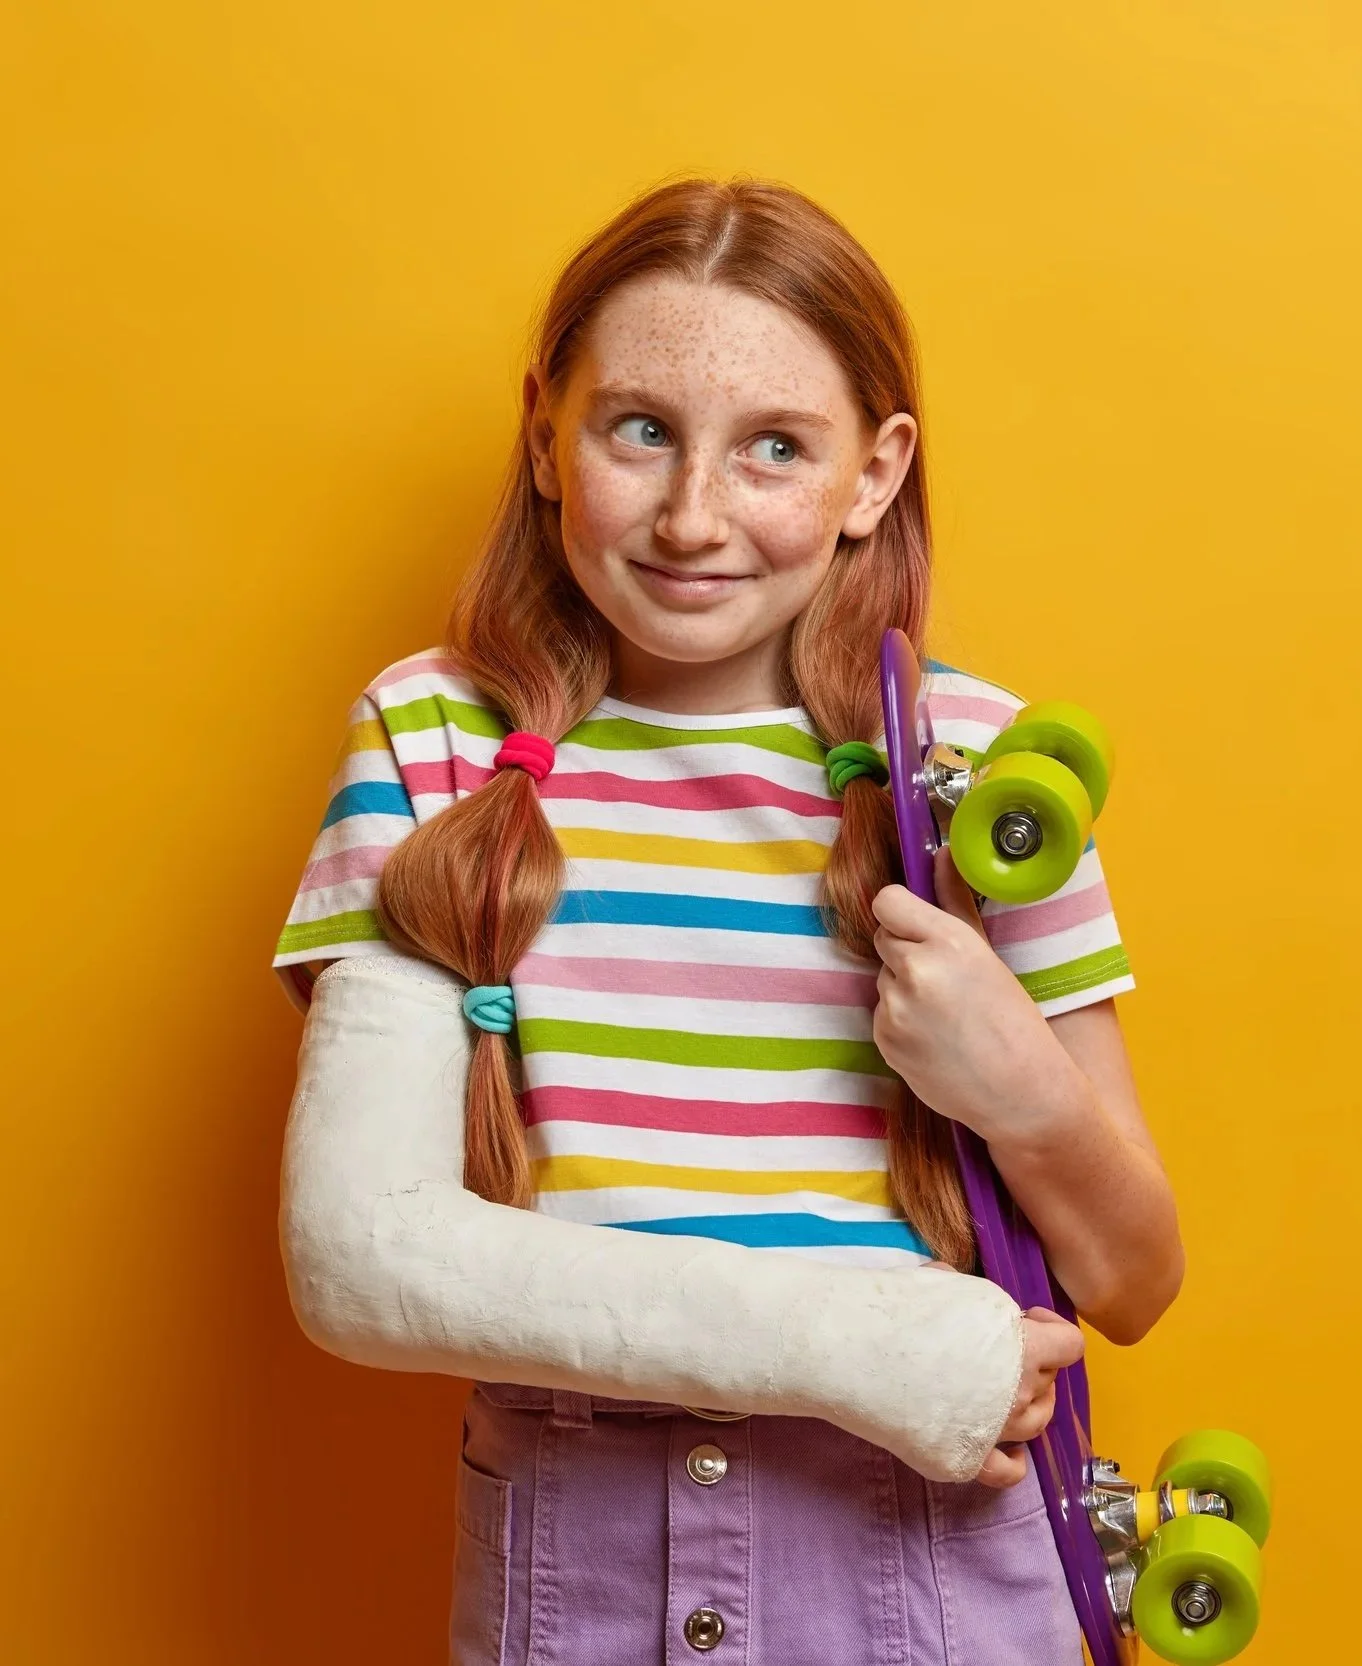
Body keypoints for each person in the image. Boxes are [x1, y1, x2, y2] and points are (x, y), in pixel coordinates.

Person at [271, 177, 1183, 1665]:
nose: (694, 516)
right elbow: (358, 1253)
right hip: (583, 1548)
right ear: (545, 436)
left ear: (874, 473)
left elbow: (1133, 1279)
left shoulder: (984, 776)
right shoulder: (431, 738)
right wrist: (859, 1343)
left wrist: (1016, 1082)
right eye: (639, 429)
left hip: (927, 1552)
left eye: (775, 448)